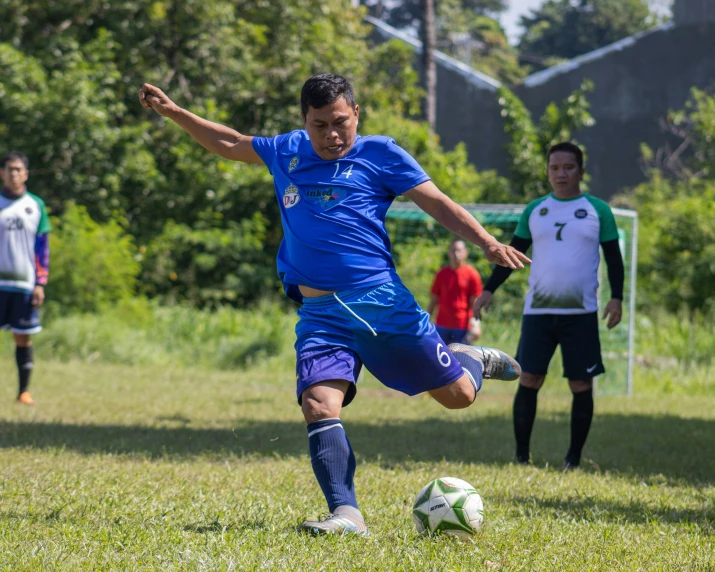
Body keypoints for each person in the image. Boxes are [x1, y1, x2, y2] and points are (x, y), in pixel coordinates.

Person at [139, 74, 530, 536]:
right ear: (304, 121)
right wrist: (174, 112)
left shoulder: (380, 153)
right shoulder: (286, 150)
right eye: (319, 124)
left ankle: (469, 360)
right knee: (319, 404)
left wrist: (486, 241)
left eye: (340, 122)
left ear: (356, 114)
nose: (331, 135)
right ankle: (347, 513)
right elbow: (230, 142)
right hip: (320, 314)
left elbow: (438, 203)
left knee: (458, 398)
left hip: (382, 303)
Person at [474, 142, 624, 470]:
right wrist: (488, 290)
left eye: (568, 168)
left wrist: (617, 297)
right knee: (529, 379)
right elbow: (511, 254)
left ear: (581, 172)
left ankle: (573, 459)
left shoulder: (598, 210)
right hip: (538, 314)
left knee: (581, 384)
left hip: (581, 314)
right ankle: (521, 457)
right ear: (547, 171)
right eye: (554, 168)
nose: (561, 174)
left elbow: (613, 257)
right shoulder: (535, 210)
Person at [0, 151, 51, 406]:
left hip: (23, 283)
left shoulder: (35, 205)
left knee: (23, 336)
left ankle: (23, 391)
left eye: (19, 169)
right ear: (2, 173)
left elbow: (42, 249)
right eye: (9, 169)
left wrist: (40, 283)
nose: (14, 174)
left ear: (26, 174)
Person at [428, 238, 483, 345]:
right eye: (453, 250)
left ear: (465, 253)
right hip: (441, 325)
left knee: (460, 359)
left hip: (462, 327)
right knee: (439, 359)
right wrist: (426, 321)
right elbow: (433, 300)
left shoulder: (472, 274)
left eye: (459, 250)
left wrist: (476, 325)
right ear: (449, 253)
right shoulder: (441, 274)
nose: (456, 254)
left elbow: (475, 304)